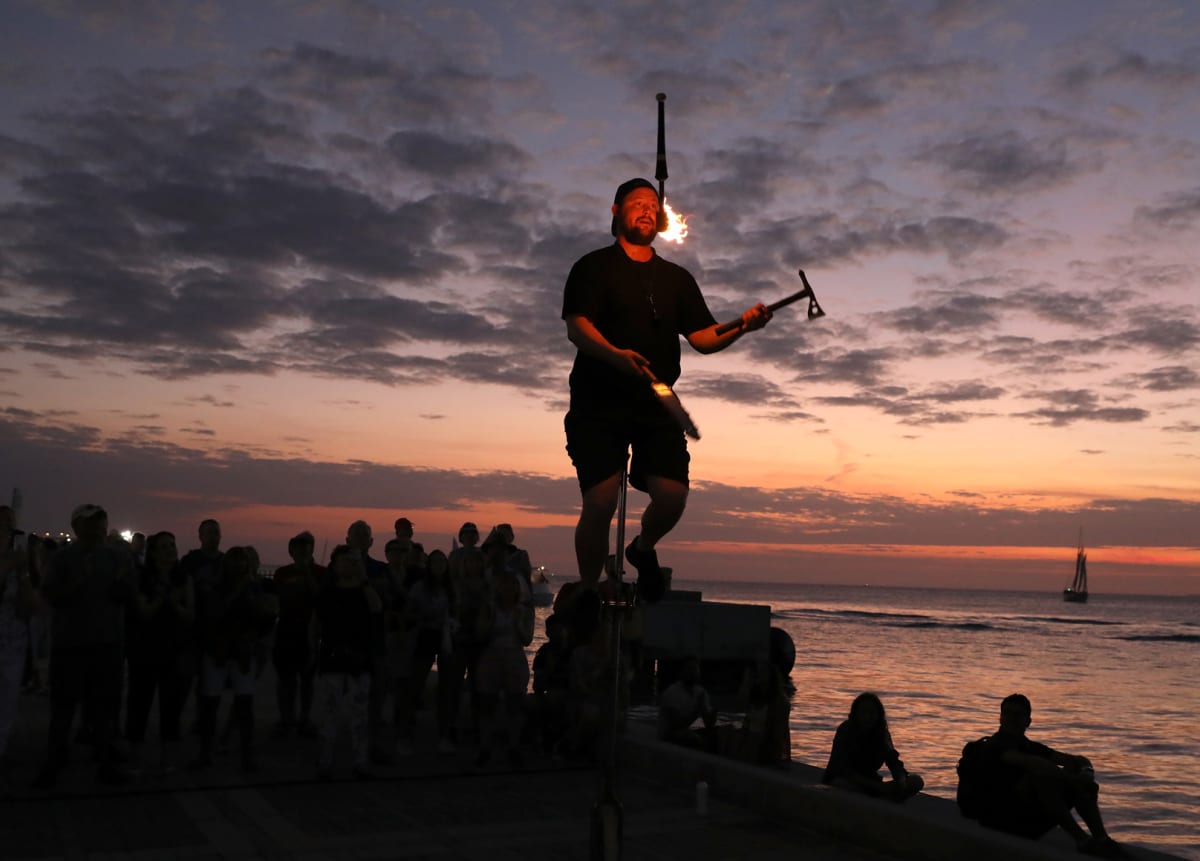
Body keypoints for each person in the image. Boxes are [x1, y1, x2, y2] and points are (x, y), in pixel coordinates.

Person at [562, 178, 772, 603]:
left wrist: (742, 325)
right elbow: (578, 327)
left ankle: (641, 549)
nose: (645, 209)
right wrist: (617, 355)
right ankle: (588, 591)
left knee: (673, 496)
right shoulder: (593, 266)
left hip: (656, 402)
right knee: (601, 502)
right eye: (636, 202)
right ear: (615, 210)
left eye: (651, 204)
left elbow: (703, 337)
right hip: (598, 401)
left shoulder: (677, 278)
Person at [34, 504, 135, 788]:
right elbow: (51, 595)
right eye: (91, 525)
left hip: (107, 644)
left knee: (105, 709)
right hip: (70, 644)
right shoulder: (63, 558)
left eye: (101, 525)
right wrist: (78, 581)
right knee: (63, 708)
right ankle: (54, 763)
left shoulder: (117, 557)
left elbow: (126, 595)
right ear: (77, 527)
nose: (97, 531)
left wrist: (123, 582)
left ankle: (104, 764)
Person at [973, 693, 1123, 857]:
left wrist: (1087, 773)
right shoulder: (995, 745)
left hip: (1028, 819)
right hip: (1001, 820)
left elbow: (1076, 760)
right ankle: (1083, 841)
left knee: (1073, 768)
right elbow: (1031, 763)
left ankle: (1101, 839)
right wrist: (1074, 781)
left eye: (1018, 715)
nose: (1012, 719)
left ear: (1028, 721)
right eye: (1008, 714)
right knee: (1041, 777)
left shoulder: (1029, 745)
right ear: (1000, 718)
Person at [189, 546, 277, 772]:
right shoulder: (231, 589)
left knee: (240, 705)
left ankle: (233, 754)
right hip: (222, 651)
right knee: (215, 705)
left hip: (239, 652)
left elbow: (265, 619)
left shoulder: (250, 588)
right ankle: (212, 752)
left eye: (242, 562)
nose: (239, 567)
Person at [124, 531, 194, 775]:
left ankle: (167, 759)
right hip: (144, 649)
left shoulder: (183, 577)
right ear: (153, 552)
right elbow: (143, 612)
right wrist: (164, 598)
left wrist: (173, 601)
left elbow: (189, 614)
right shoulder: (142, 577)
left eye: (172, 545)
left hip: (174, 650)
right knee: (139, 704)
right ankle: (135, 758)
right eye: (164, 546)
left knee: (171, 707)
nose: (170, 550)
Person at [311, 545, 380, 779]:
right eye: (344, 561)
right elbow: (315, 623)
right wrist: (313, 650)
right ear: (335, 564)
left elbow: (376, 607)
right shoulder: (327, 592)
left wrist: (364, 580)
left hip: (360, 659)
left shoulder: (365, 590)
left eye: (352, 561)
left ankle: (360, 761)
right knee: (329, 712)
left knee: (359, 714)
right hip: (331, 657)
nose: (348, 565)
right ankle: (325, 761)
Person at [473, 569, 534, 769]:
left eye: (512, 584)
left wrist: (517, 623)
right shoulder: (489, 608)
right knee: (487, 704)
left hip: (514, 658)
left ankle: (513, 748)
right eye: (504, 584)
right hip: (491, 658)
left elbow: (526, 639)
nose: (508, 588)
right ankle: (485, 748)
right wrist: (490, 622)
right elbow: (480, 634)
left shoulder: (523, 610)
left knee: (515, 704)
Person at [267, 531, 323, 739]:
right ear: (291, 551)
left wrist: (308, 573)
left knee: (307, 680)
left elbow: (321, 598)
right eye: (297, 551)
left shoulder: (319, 573)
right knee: (285, 680)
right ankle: (286, 719)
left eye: (305, 551)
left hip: (309, 634)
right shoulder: (282, 573)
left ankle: (304, 719)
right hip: (285, 633)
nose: (301, 555)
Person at [823, 692, 923, 800]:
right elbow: (841, 769)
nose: (867, 717)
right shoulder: (845, 730)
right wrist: (878, 787)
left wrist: (901, 780)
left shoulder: (882, 734)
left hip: (871, 781)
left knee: (916, 781)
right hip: (845, 779)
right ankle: (883, 795)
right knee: (840, 783)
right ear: (855, 714)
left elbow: (893, 761)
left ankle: (883, 794)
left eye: (871, 713)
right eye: (863, 712)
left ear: (878, 715)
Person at [0, 506, 35, 770]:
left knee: (7, 703)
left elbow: (27, 606)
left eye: (9, 526)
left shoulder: (18, 561)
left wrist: (22, 572)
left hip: (12, 641)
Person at [656, 656, 715, 750]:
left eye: (695, 669)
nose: (692, 673)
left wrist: (711, 715)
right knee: (694, 741)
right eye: (689, 669)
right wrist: (697, 708)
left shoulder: (701, 692)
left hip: (685, 731)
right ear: (682, 671)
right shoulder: (671, 692)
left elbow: (709, 725)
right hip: (668, 735)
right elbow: (676, 725)